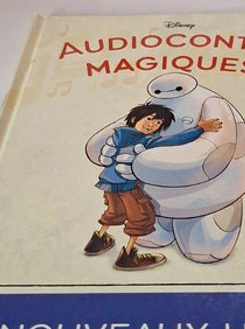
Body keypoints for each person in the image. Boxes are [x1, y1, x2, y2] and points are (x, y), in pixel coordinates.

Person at [84, 103, 222, 270]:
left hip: (108, 183)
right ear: (134, 119)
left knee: (115, 212)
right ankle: (128, 257)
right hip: (128, 186)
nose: (152, 124)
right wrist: (200, 129)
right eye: (149, 118)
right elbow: (174, 141)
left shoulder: (119, 134)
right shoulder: (145, 141)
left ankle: (97, 242)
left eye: (158, 123)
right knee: (141, 217)